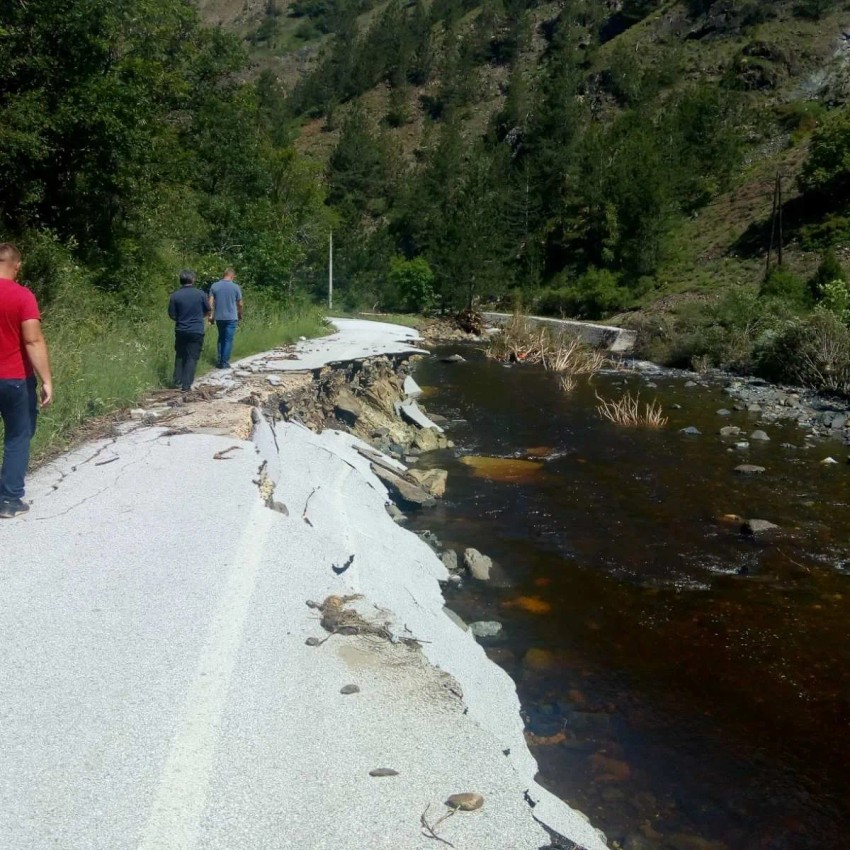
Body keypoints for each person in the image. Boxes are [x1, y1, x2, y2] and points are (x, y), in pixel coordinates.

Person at [0, 243, 53, 518]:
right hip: (14, 379)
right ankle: (9, 500)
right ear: (16, 265)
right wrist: (46, 380)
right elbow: (32, 339)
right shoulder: (23, 296)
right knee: (18, 436)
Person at [168, 269, 210, 392]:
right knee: (192, 356)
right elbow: (208, 310)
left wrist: (181, 319)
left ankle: (177, 380)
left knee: (180, 354)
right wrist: (198, 317)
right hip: (196, 329)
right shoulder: (201, 294)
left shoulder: (175, 295)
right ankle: (186, 385)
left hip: (181, 329)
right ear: (192, 279)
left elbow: (171, 314)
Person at [208, 267, 243, 369]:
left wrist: (210, 316)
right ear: (232, 276)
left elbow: (210, 303)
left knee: (221, 338)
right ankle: (224, 362)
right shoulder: (236, 287)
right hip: (232, 317)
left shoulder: (215, 286)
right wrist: (240, 313)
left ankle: (219, 361)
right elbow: (240, 304)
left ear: (224, 275)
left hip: (219, 317)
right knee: (228, 339)